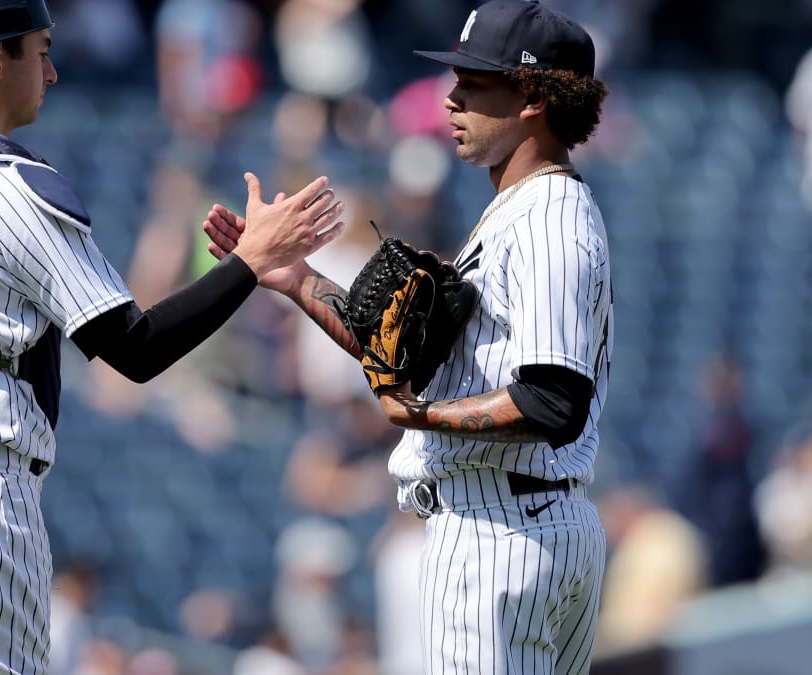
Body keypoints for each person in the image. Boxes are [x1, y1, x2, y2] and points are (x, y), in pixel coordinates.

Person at [0, 1, 344, 673]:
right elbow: (136, 348)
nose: (54, 70)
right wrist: (250, 264)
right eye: (39, 49)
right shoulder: (11, 185)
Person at [205, 1, 612, 672]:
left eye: (476, 82)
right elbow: (405, 353)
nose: (452, 97)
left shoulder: (547, 219)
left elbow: (551, 399)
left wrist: (419, 416)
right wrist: (297, 278)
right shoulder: (514, 214)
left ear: (535, 97)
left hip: (498, 531)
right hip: (524, 521)